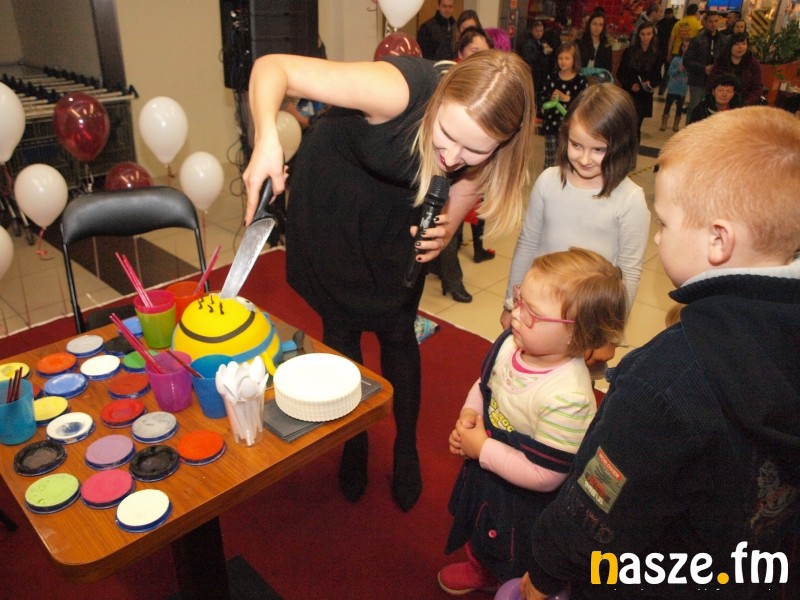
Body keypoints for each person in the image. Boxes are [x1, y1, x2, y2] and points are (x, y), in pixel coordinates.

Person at [520, 106, 800, 600]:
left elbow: (597, 505)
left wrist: (545, 571)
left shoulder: (664, 378)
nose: (657, 235)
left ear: (718, 240)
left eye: (666, 223)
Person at [242, 50, 537, 512]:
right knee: (341, 327)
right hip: (335, 198)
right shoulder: (398, 89)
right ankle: (354, 439)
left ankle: (405, 446)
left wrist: (443, 232)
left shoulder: (482, 148)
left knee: (398, 329)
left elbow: (464, 184)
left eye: (475, 150)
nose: (453, 157)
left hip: (396, 211)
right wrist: (266, 138)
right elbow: (272, 68)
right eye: (447, 134)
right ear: (440, 97)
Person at [438, 248, 628, 595]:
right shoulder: (510, 344)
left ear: (577, 334)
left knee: (515, 552)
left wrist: (482, 449)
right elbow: (485, 386)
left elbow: (546, 474)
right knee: (481, 525)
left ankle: (508, 580)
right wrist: (470, 414)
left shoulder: (568, 397)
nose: (515, 315)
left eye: (532, 313)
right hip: (488, 470)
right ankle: (480, 566)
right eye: (519, 300)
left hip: (523, 501)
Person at [501, 83, 649, 341]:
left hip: (588, 322)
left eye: (599, 149)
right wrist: (510, 302)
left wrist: (611, 334)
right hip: (538, 311)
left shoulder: (630, 200)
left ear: (620, 146)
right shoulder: (548, 181)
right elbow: (527, 243)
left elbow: (628, 273)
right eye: (576, 145)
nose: (584, 159)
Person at [430, 27, 495, 303]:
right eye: (474, 52)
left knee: (450, 225)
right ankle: (451, 278)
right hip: (437, 168)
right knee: (444, 224)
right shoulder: (447, 81)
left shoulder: (486, 89)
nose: (480, 58)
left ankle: (444, 272)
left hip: (464, 172)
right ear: (460, 53)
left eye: (485, 53)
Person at [540, 42, 588, 168]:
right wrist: (549, 98)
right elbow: (542, 97)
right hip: (551, 125)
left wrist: (568, 99)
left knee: (567, 158)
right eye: (560, 58)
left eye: (567, 58)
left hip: (570, 126)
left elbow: (585, 102)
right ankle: (548, 178)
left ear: (574, 60)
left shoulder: (580, 80)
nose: (563, 62)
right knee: (550, 159)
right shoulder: (552, 77)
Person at [617, 22, 663, 141]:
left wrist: (650, 83)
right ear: (638, 35)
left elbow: (658, 77)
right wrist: (630, 84)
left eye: (648, 34)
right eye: (642, 34)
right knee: (625, 124)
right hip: (629, 92)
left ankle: (634, 148)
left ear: (653, 35)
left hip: (644, 95)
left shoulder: (656, 54)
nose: (645, 38)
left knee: (636, 125)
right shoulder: (629, 51)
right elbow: (620, 73)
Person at [684, 10, 725, 123]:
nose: (713, 24)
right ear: (705, 22)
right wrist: (703, 68)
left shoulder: (723, 40)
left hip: (716, 80)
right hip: (698, 80)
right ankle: (690, 130)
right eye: (710, 21)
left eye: (716, 21)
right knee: (694, 107)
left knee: (712, 109)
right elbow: (687, 61)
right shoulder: (697, 39)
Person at [709, 32, 763, 106]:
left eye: (744, 44)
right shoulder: (721, 61)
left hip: (746, 104)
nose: (740, 47)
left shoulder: (753, 63)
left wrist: (746, 103)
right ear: (730, 46)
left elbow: (757, 87)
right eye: (736, 44)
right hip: (722, 103)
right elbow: (712, 82)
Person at [519, 20, 557, 98]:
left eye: (541, 31)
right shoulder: (528, 42)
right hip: (532, 72)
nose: (539, 33)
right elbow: (528, 57)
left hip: (541, 73)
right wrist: (542, 52)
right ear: (532, 31)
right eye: (537, 31)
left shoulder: (542, 41)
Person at [660, 38, 690, 132]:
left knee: (679, 107)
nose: (686, 49)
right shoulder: (676, 59)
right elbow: (669, 72)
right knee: (668, 105)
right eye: (684, 46)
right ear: (681, 48)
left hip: (683, 89)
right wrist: (677, 70)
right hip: (673, 88)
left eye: (688, 47)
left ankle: (676, 123)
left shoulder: (690, 61)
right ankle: (664, 122)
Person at [656, 7, 678, 94]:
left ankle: (662, 89)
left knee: (667, 71)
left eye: (669, 14)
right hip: (661, 50)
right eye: (667, 14)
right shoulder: (661, 23)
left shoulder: (676, 23)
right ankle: (659, 84)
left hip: (669, 50)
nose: (668, 16)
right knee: (659, 69)